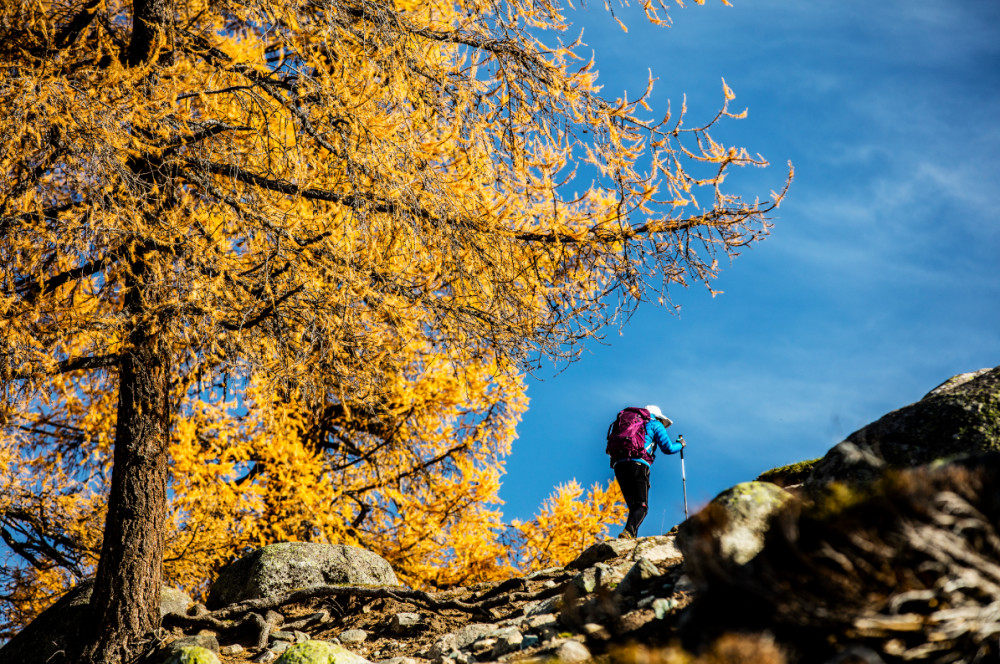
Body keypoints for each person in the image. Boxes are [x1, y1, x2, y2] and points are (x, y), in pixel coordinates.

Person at [607, 404, 684, 539]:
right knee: (641, 507)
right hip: (639, 464)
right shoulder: (655, 424)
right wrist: (680, 444)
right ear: (658, 417)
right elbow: (669, 448)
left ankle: (630, 536)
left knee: (634, 506)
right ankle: (628, 533)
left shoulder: (628, 423)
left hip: (619, 465)